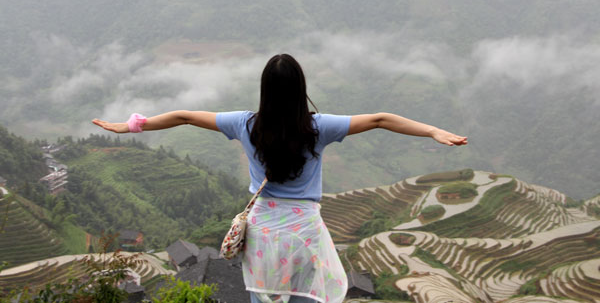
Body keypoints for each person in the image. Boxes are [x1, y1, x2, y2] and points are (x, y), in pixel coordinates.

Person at [93, 53, 467, 303]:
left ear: (265, 91)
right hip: (304, 229)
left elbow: (185, 115)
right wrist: (433, 131)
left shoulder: (244, 123)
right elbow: (382, 118)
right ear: (301, 88)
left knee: (264, 296)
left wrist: (132, 126)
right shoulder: (319, 127)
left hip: (263, 229)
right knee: (309, 294)